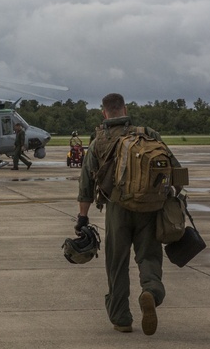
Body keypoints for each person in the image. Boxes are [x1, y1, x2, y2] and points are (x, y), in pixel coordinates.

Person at [75, 93, 178, 336]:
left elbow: (86, 184)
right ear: (125, 109)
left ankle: (121, 318)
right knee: (149, 257)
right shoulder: (149, 134)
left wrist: (82, 217)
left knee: (117, 264)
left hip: (116, 209)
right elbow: (175, 170)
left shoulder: (99, 141)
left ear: (104, 113)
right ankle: (151, 292)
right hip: (149, 209)